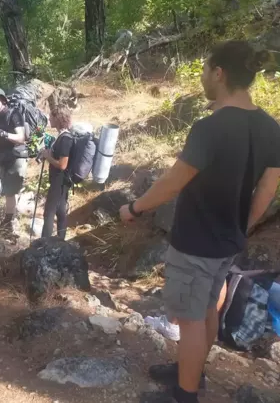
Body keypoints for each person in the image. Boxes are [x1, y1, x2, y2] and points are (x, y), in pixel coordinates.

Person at [119, 41, 280, 403]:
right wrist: (244, 226)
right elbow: (268, 188)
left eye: (206, 70)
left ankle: (184, 394)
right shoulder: (270, 126)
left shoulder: (210, 127)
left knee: (191, 321)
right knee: (207, 310)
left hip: (196, 241)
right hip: (228, 242)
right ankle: (191, 373)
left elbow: (174, 181)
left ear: (219, 73)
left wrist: (135, 208)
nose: (204, 77)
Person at [0, 87, 27, 232]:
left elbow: (21, 138)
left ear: (3, 100)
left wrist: (4, 134)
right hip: (3, 155)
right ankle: (9, 219)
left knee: (12, 190)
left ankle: (11, 221)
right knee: (8, 190)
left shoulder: (14, 114)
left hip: (17, 155)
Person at [39, 104, 74, 238]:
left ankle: (44, 244)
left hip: (59, 181)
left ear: (58, 118)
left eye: (51, 117)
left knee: (49, 213)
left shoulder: (65, 139)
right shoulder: (62, 136)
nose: (49, 120)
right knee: (60, 211)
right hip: (60, 181)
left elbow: (62, 165)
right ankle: (60, 241)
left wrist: (48, 157)